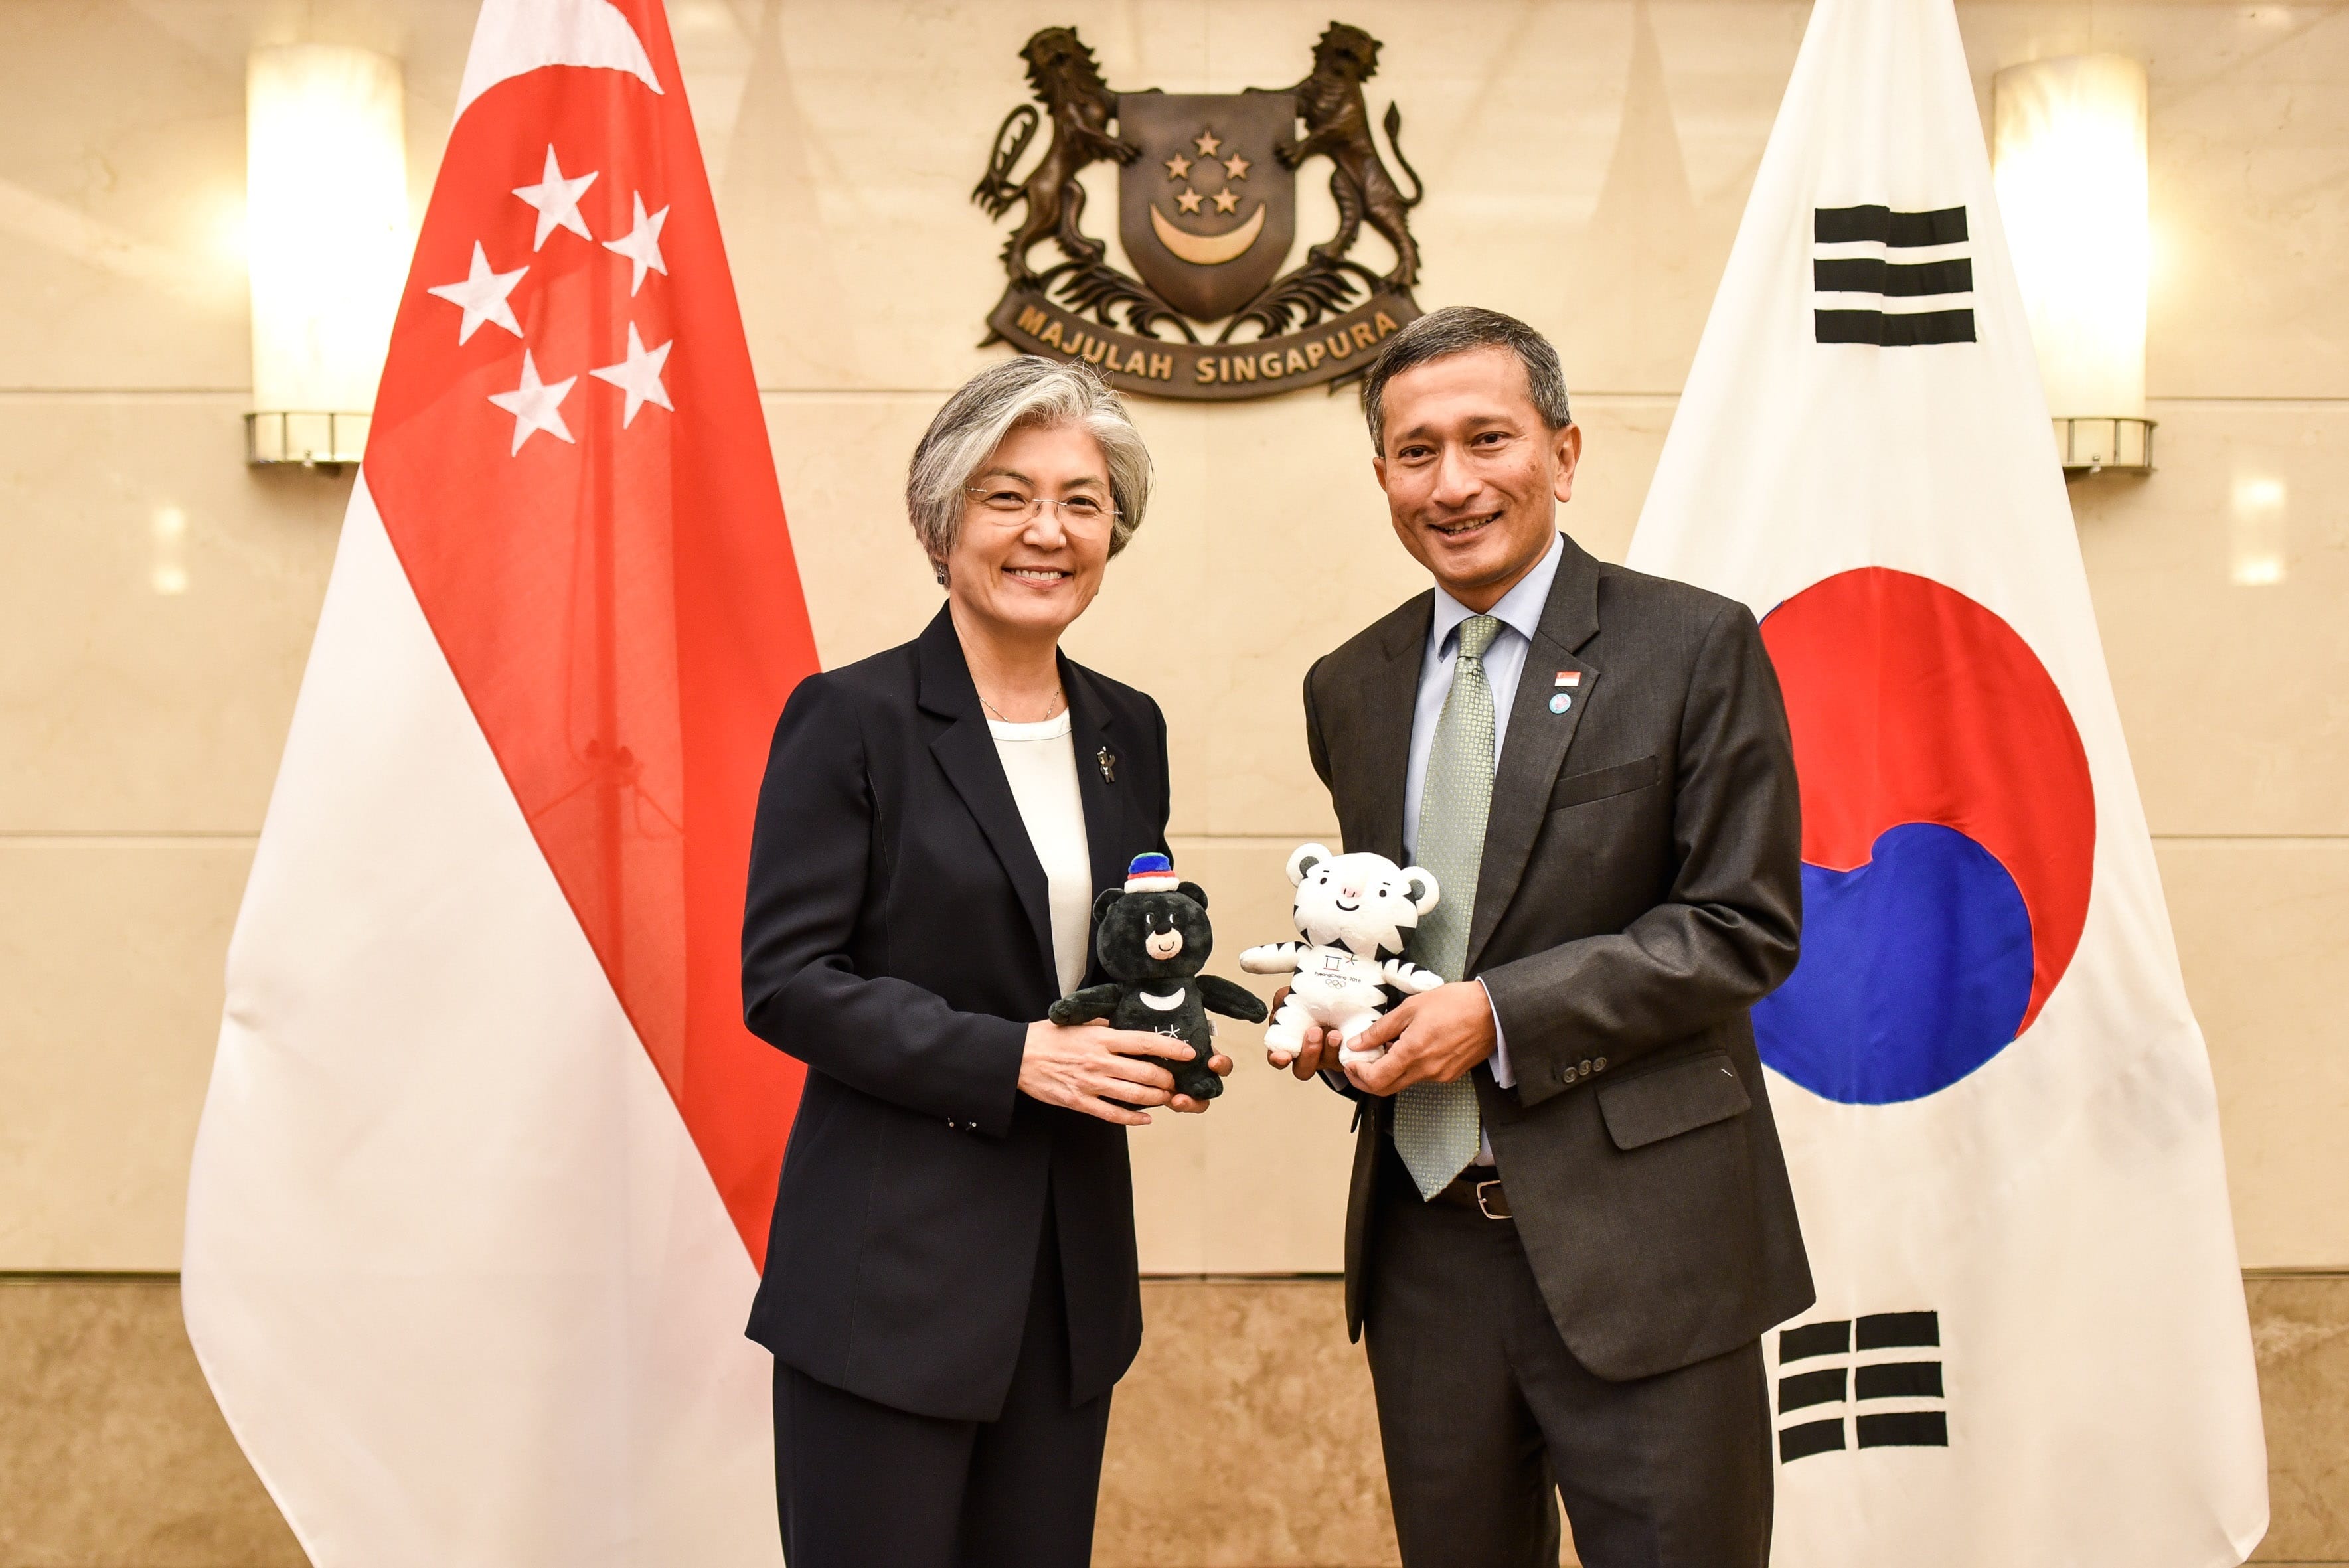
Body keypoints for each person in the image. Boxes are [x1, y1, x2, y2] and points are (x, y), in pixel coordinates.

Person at [1272, 307, 1815, 1567]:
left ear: (1563, 454)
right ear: (1382, 478)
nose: (1452, 483)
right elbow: (1398, 919)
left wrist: (1500, 1014)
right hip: (1426, 1248)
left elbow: (1742, 924)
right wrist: (1345, 1015)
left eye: (1487, 439)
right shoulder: (1346, 686)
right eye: (1416, 452)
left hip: (1649, 1248)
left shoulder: (1691, 646)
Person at [740, 356, 1229, 1567]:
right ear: (941, 522)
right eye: (1006, 497)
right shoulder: (852, 718)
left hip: (1066, 1290)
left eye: (1081, 499)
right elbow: (787, 978)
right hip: (887, 1280)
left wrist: (1167, 1043)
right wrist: (1013, 1057)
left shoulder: (1128, 728)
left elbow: (1117, 949)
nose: (1046, 532)